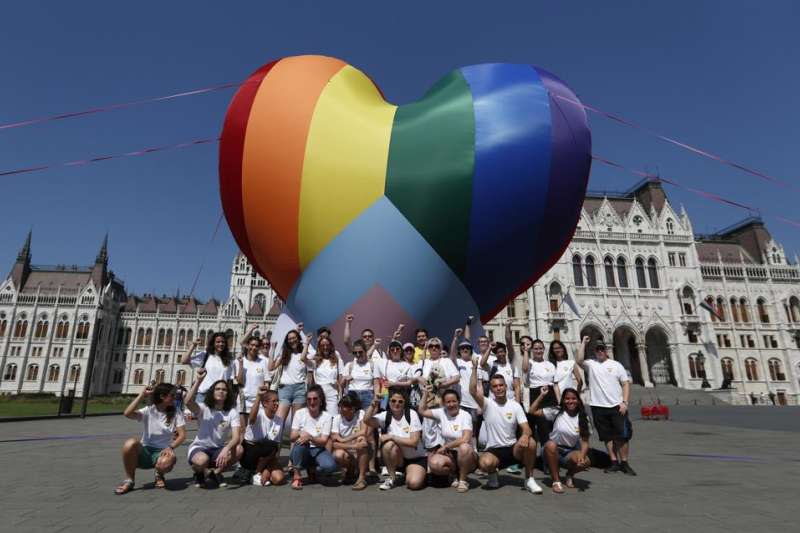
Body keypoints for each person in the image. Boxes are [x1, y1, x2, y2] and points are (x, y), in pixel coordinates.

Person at [469, 357, 541, 493]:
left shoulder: (515, 405)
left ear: (506, 386)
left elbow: (526, 428)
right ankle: (492, 475)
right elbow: (472, 391)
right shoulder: (487, 404)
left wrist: (525, 435)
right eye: (495, 386)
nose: (499, 388)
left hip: (513, 449)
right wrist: (474, 368)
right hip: (494, 450)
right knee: (485, 463)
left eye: (501, 385)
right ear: (491, 389)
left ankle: (529, 479)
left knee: (531, 442)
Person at [575, 336, 636, 475]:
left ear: (606, 350)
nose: (600, 351)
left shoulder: (616, 365)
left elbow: (626, 383)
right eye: (597, 349)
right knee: (606, 436)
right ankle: (614, 461)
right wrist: (583, 343)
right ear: (594, 351)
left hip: (616, 406)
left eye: (602, 348)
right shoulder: (591, 364)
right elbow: (578, 360)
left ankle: (624, 463)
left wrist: (625, 402)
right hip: (598, 406)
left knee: (623, 436)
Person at [115, 383, 186, 495]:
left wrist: (170, 447)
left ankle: (159, 474)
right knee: (130, 443)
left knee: (165, 463)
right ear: (163, 396)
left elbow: (182, 435)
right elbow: (127, 413)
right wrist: (142, 395)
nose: (175, 398)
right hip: (146, 450)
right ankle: (129, 480)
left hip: (162, 451)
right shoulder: (149, 410)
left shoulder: (176, 412)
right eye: (172, 395)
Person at [185, 369, 243, 488]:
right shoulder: (203, 408)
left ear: (228, 393)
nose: (221, 391)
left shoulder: (232, 412)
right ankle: (199, 472)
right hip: (200, 448)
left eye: (224, 389)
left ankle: (215, 473)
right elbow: (188, 402)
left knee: (239, 449)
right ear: (212, 392)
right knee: (202, 460)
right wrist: (199, 381)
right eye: (217, 389)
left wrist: (226, 448)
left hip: (218, 449)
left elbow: (236, 436)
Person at [531, 386, 591, 493]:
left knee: (586, 461)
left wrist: (581, 457)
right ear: (563, 400)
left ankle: (570, 475)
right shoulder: (557, 411)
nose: (570, 401)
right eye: (567, 399)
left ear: (578, 400)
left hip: (569, 452)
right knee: (551, 445)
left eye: (573, 398)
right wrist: (542, 395)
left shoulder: (583, 417)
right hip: (551, 450)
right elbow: (532, 411)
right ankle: (556, 481)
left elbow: (585, 442)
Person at [364, 389, 427, 491]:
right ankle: (392, 478)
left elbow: (414, 442)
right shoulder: (386, 415)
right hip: (400, 457)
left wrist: (392, 436)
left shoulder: (411, 414)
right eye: (393, 401)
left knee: (413, 484)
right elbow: (366, 420)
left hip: (416, 458)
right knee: (388, 445)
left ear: (404, 403)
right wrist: (373, 404)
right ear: (389, 402)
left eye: (400, 401)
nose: (396, 404)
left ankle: (413, 473)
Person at [418, 387, 477, 493]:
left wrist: (446, 446)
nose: (451, 404)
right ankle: (454, 474)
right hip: (450, 454)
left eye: (454, 401)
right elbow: (422, 411)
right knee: (434, 463)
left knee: (464, 447)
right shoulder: (441, 412)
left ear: (459, 402)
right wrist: (425, 394)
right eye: (448, 402)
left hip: (468, 455)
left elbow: (466, 438)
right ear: (444, 403)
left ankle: (463, 481)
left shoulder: (465, 415)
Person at [289, 384, 336, 489]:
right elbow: (292, 437)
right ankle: (297, 477)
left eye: (315, 399)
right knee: (300, 443)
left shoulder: (327, 417)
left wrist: (310, 437)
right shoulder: (299, 413)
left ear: (321, 400)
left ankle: (314, 470)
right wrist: (302, 433)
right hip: (301, 449)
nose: (312, 402)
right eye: (309, 399)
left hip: (318, 448)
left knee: (330, 466)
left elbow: (323, 441)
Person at [241, 386, 285, 486]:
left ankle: (260, 473)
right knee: (269, 446)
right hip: (250, 452)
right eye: (274, 401)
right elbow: (251, 419)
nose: (277, 404)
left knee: (279, 479)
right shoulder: (259, 414)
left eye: (278, 401)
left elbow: (275, 446)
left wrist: (268, 470)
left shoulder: (279, 421)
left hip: (265, 455)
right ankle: (255, 472)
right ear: (265, 403)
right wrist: (258, 396)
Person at [269, 325, 310, 424]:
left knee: (296, 423)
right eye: (289, 339)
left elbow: (305, 360)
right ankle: (274, 439)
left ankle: (293, 440)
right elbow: (271, 367)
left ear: (298, 339)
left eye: (294, 338)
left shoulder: (304, 354)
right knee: (279, 420)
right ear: (287, 342)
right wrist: (273, 349)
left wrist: (306, 342)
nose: (292, 340)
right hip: (285, 389)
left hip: (299, 390)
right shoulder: (284, 353)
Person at [181, 332, 234, 405]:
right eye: (218, 342)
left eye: (223, 342)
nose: (221, 344)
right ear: (213, 343)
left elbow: (229, 380)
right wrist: (193, 345)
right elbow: (184, 361)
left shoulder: (229, 360)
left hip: (220, 396)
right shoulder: (205, 355)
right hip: (203, 395)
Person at [331, 392, 369, 490]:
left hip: (358, 449)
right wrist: (353, 446)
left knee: (362, 441)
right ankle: (350, 470)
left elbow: (363, 431)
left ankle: (361, 478)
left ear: (352, 409)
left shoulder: (360, 414)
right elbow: (334, 443)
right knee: (338, 454)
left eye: (343, 407)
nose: (340, 409)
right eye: (340, 406)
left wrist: (344, 439)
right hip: (348, 450)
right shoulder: (337, 418)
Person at [522, 338, 557, 444]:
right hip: (536, 396)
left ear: (544, 349)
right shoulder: (530, 362)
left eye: (540, 348)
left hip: (550, 396)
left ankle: (549, 453)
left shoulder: (550, 364)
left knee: (550, 428)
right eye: (536, 348)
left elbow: (555, 384)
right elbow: (524, 369)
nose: (538, 351)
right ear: (532, 350)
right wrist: (526, 351)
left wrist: (559, 401)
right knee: (538, 428)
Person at [450, 332, 481, 442]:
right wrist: (455, 339)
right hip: (461, 403)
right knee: (461, 429)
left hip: (474, 403)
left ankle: (474, 449)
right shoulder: (457, 362)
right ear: (459, 350)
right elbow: (452, 355)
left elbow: (479, 385)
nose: (465, 349)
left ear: (471, 350)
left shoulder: (476, 364)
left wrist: (480, 404)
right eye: (462, 348)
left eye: (467, 348)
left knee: (473, 429)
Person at [235, 330, 270, 427]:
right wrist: (241, 364)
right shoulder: (240, 361)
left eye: (256, 346)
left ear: (259, 348)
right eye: (252, 345)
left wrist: (265, 392)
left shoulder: (263, 362)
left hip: (258, 401)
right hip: (243, 400)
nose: (254, 347)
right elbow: (240, 382)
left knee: (255, 430)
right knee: (242, 431)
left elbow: (267, 382)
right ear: (247, 346)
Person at [309, 336, 343, 415]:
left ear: (331, 346)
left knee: (333, 417)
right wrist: (307, 343)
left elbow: (341, 379)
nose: (325, 347)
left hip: (333, 393)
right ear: (319, 347)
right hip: (319, 393)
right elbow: (303, 358)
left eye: (327, 345)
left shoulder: (337, 360)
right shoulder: (315, 360)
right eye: (322, 345)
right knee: (319, 418)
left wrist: (340, 392)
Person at [343, 339, 380, 408]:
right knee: (353, 418)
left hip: (368, 395)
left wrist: (376, 398)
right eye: (355, 353)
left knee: (367, 418)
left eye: (360, 352)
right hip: (352, 395)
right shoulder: (350, 365)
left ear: (365, 351)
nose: (358, 354)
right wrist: (345, 379)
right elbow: (341, 384)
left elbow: (376, 384)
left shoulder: (373, 365)